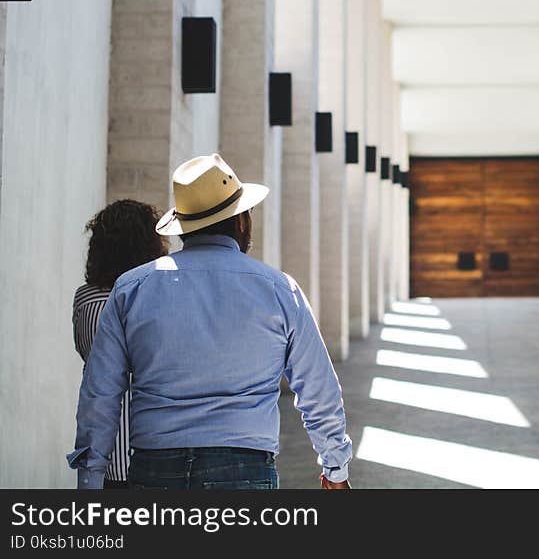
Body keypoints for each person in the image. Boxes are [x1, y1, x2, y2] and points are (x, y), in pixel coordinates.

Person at [68, 153, 352, 489]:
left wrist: (91, 479)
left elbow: (100, 392)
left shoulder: (132, 288)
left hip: (155, 467)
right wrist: (335, 468)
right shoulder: (279, 290)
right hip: (245, 467)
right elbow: (318, 388)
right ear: (242, 221)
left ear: (183, 227)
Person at [73, 200, 169, 488]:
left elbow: (89, 360)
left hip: (104, 453)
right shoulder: (153, 300)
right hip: (151, 449)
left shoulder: (85, 299)